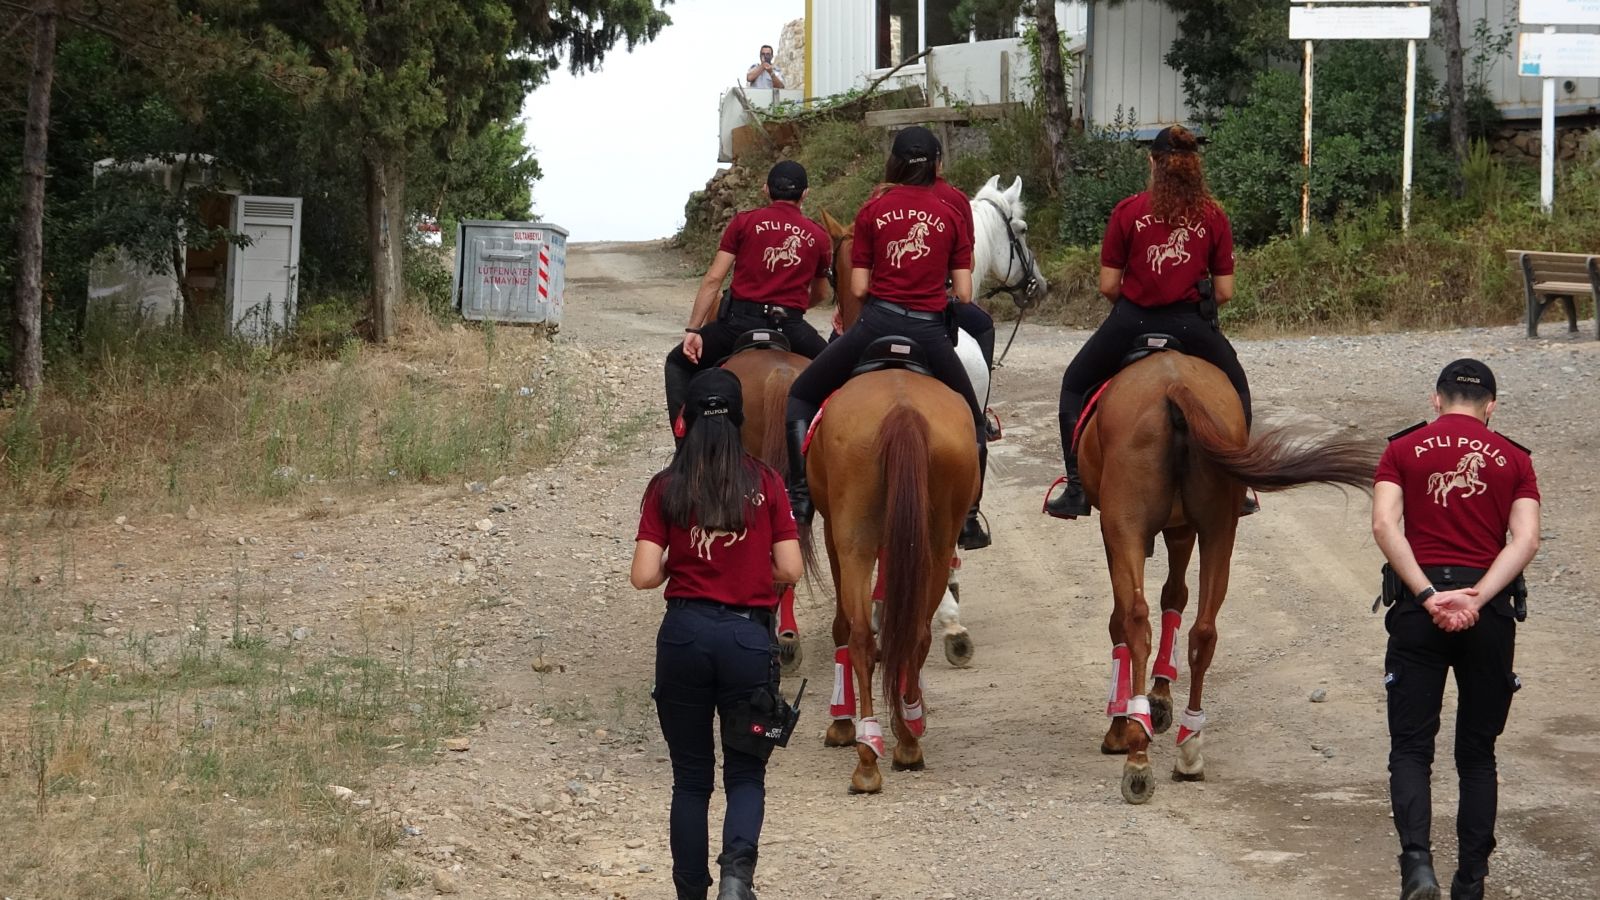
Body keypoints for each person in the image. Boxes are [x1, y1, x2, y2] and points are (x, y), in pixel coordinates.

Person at [632, 368, 804, 900]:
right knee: (746, 775)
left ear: (685, 420)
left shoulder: (667, 486)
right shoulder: (767, 483)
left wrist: (674, 567)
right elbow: (791, 568)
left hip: (682, 637)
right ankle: (736, 879)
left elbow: (642, 575)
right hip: (746, 642)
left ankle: (690, 893)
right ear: (738, 420)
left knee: (690, 779)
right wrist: (750, 571)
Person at [1371, 359, 1540, 900]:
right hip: (1486, 617)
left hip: (1419, 616)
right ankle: (1471, 881)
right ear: (1491, 406)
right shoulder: (1515, 459)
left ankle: (1418, 867)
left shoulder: (1401, 450)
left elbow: (1383, 524)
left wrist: (1426, 595)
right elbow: (1525, 540)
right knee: (1476, 755)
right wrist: (1477, 598)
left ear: (1436, 400)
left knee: (1412, 749)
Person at [784, 125, 991, 551]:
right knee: (974, 422)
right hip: (930, 333)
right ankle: (968, 516)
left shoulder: (873, 211)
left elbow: (858, 288)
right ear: (936, 165)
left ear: (893, 164)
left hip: (876, 326)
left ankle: (800, 498)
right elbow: (965, 294)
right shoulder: (951, 213)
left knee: (802, 396)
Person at [1043, 124, 1251, 520]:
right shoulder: (1213, 216)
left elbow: (1108, 285)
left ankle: (1075, 486)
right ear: (1194, 167)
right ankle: (1237, 483)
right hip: (1192, 325)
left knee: (1074, 383)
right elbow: (1224, 291)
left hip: (1132, 321)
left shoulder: (1128, 210)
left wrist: (1136, 305)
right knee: (1237, 389)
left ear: (1152, 162)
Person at [665, 160, 831, 430]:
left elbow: (714, 279)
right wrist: (792, 308)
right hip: (791, 328)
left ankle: (685, 445)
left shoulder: (744, 222)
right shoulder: (818, 236)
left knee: (677, 363)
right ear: (805, 194)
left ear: (766, 190)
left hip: (739, 324)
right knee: (837, 376)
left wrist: (694, 329)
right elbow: (822, 293)